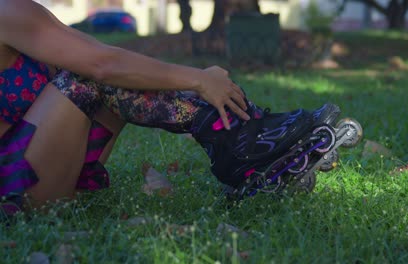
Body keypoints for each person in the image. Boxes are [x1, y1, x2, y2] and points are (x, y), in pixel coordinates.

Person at [0, 0, 341, 217]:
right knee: (86, 77)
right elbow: (101, 64)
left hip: (42, 169)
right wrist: (198, 79)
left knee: (111, 77)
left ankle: (243, 140)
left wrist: (195, 82)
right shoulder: (7, 12)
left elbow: (107, 61)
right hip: (16, 190)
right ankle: (244, 145)